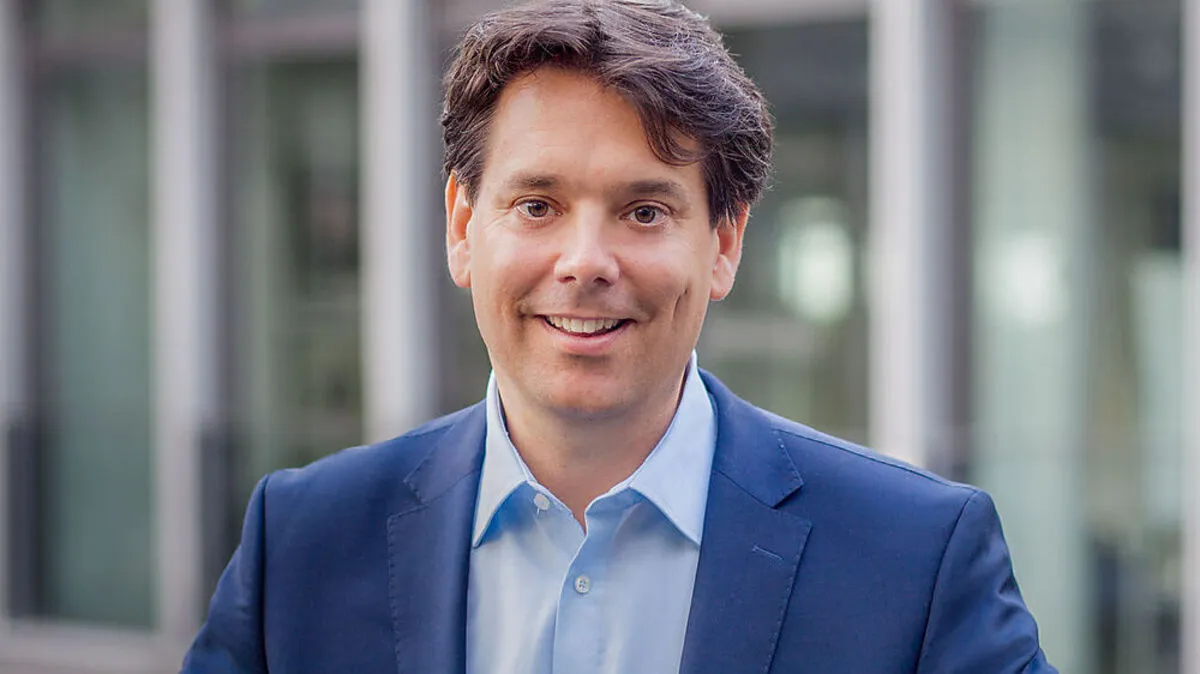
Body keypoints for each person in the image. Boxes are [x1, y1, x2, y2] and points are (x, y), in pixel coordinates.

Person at [182, 1, 1055, 672]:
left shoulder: (916, 559)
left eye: (644, 211)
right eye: (538, 205)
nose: (585, 263)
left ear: (723, 243)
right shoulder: (302, 541)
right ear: (462, 226)